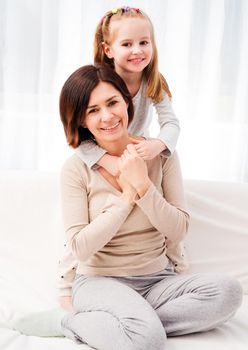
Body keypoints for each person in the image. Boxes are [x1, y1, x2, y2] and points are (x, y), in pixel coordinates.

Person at [14, 65, 242, 350]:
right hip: (100, 282)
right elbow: (80, 247)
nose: (107, 116)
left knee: (228, 292)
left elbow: (178, 229)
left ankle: (130, 323)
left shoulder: (161, 155)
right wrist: (126, 197)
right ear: (81, 120)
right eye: (92, 110)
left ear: (126, 101)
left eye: (112, 103)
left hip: (158, 281)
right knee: (147, 341)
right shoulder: (76, 169)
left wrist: (145, 187)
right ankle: (67, 322)